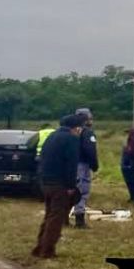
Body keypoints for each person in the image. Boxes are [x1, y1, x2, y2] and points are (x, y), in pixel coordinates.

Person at [32, 115, 84, 258]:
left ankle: (39, 247)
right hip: (59, 183)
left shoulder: (52, 136)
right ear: (76, 127)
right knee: (57, 218)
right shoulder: (71, 139)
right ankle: (47, 251)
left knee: (49, 215)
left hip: (45, 181)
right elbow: (71, 164)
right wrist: (71, 186)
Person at [72, 108, 99, 228]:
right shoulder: (87, 132)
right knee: (82, 191)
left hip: (69, 165)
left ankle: (64, 218)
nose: (91, 120)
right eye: (90, 117)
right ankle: (79, 220)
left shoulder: (70, 130)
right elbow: (90, 150)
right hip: (82, 164)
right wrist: (94, 164)